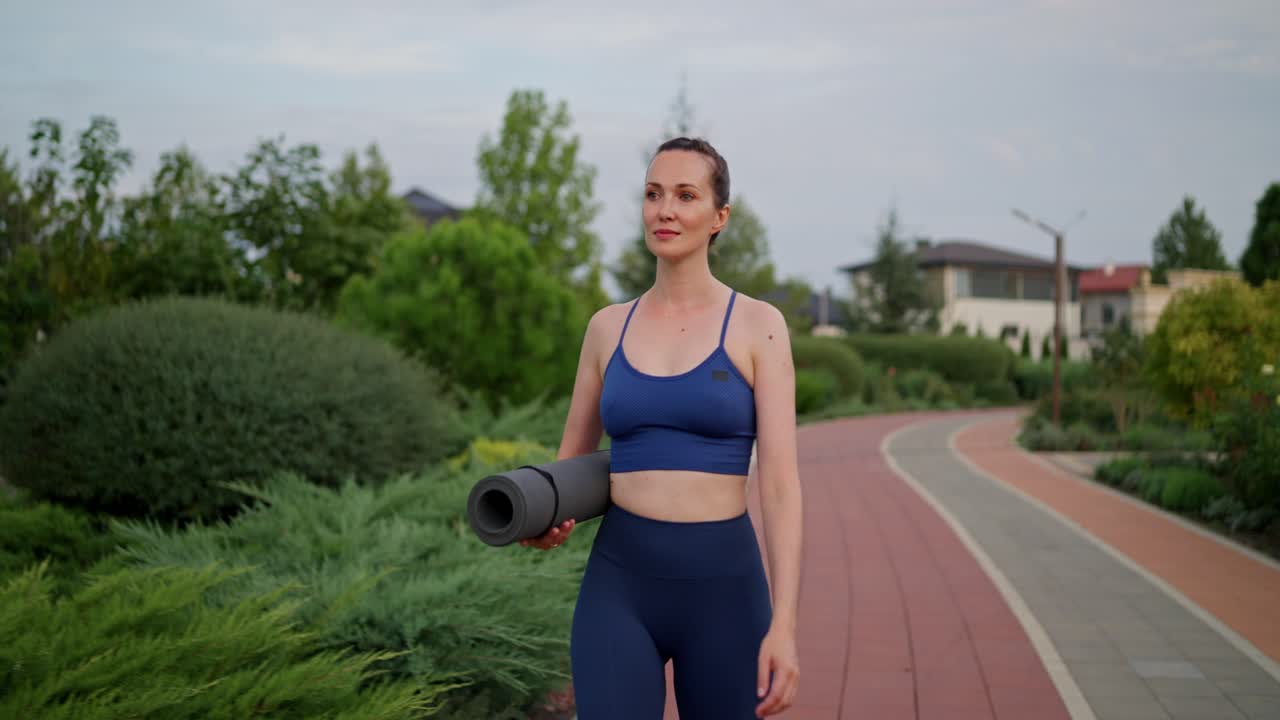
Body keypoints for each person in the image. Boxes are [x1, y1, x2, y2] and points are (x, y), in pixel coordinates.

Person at [520, 136, 803, 718]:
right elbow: (569, 464)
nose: (664, 210)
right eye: (653, 194)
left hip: (726, 592)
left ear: (719, 217)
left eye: (684, 195)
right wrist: (544, 519)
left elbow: (779, 486)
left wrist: (786, 625)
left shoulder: (758, 325)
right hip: (620, 585)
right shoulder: (607, 328)